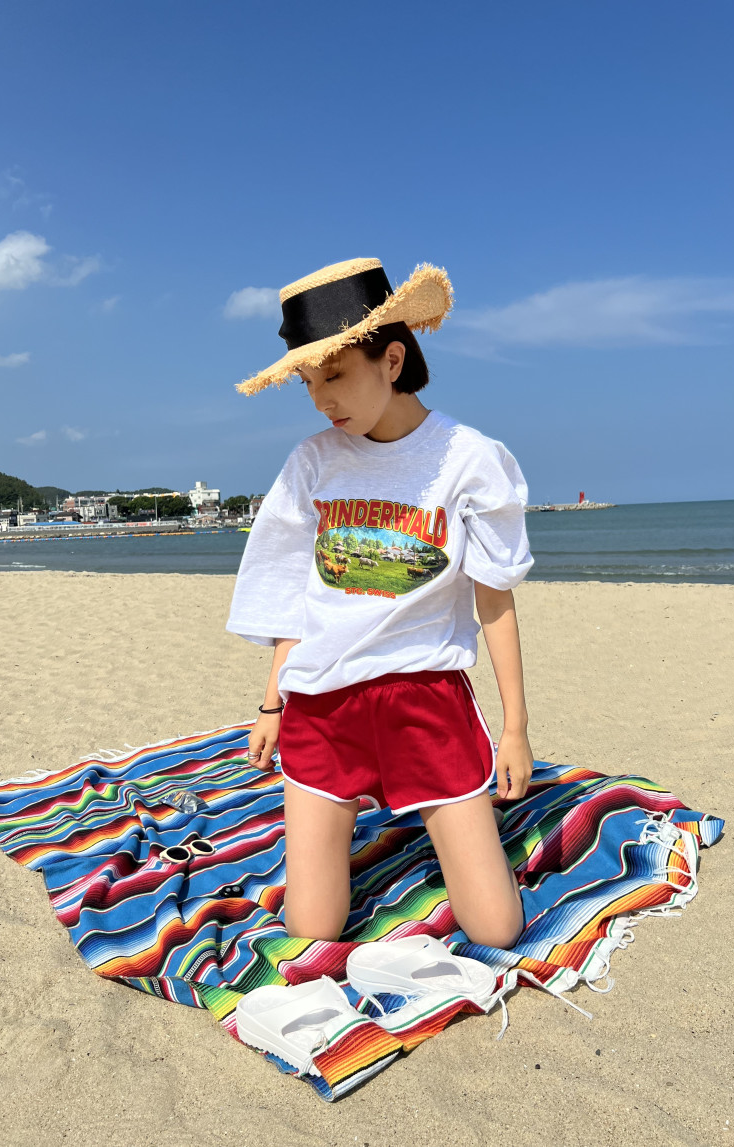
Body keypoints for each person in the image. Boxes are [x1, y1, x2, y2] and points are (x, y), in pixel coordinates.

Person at [227, 257, 534, 951]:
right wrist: (272, 703)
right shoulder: (313, 461)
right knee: (312, 926)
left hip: (425, 703)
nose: (320, 400)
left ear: (391, 360)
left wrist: (514, 728)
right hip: (323, 706)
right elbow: (291, 592)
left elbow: (495, 599)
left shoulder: (468, 459)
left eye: (334, 375)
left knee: (497, 927)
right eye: (308, 383)